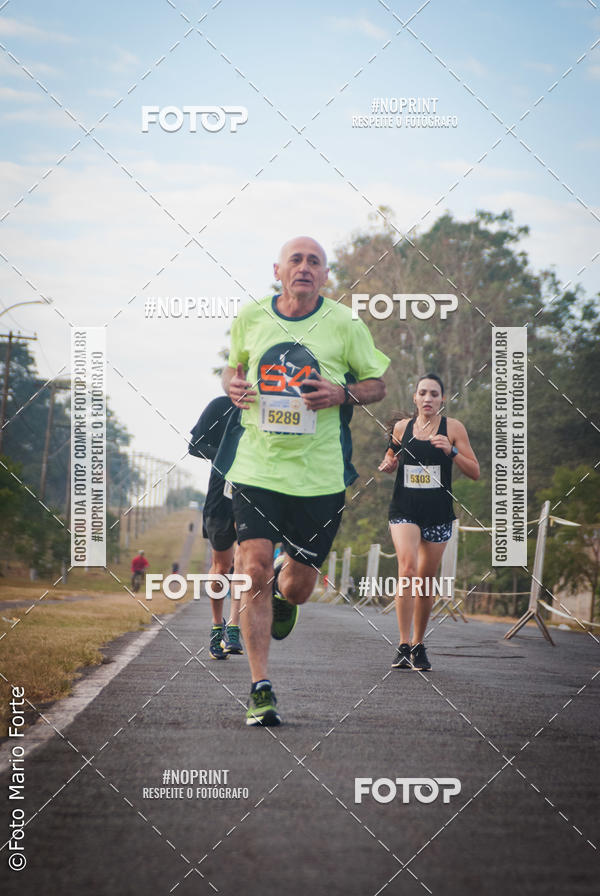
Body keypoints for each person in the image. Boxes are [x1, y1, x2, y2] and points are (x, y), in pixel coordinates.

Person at [219, 235, 390, 726]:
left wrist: (342, 392)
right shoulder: (250, 317)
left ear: (325, 275)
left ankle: (283, 593)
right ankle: (260, 688)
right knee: (252, 570)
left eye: (315, 262)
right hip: (257, 467)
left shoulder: (344, 323)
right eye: (296, 260)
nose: (305, 267)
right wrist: (230, 385)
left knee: (296, 587)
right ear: (278, 270)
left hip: (319, 477)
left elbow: (377, 384)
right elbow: (233, 371)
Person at [378, 373, 480, 671]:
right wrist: (389, 463)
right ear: (415, 397)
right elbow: (391, 453)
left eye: (434, 394)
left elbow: (474, 471)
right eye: (422, 393)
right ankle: (402, 643)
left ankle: (420, 644)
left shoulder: (453, 428)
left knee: (425, 580)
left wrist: (452, 451)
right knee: (407, 569)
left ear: (442, 399)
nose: (428, 398)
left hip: (438, 514)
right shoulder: (402, 428)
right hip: (404, 509)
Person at [189, 396, 243, 660]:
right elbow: (195, 445)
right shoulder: (221, 406)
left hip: (256, 493)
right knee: (221, 566)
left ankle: (234, 626)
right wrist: (225, 455)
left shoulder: (273, 408)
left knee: (244, 562)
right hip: (220, 494)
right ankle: (216, 625)